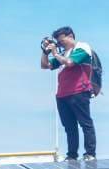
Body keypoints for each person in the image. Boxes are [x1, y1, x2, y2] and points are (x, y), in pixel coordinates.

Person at [41, 26, 97, 161]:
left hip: (79, 91)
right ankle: (72, 155)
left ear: (70, 36)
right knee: (69, 126)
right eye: (58, 43)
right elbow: (45, 65)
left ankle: (90, 153)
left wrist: (55, 53)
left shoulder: (82, 47)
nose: (60, 44)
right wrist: (45, 52)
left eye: (62, 41)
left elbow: (70, 63)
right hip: (62, 95)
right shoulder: (62, 54)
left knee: (85, 123)